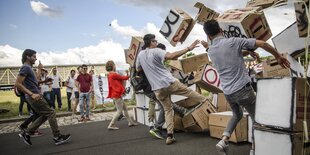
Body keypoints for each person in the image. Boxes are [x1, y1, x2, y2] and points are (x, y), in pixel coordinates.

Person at [201, 19, 290, 155]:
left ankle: (224, 140)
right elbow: (263, 43)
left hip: (228, 93)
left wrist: (248, 53)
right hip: (243, 90)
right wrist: (277, 56)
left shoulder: (211, 51)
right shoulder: (233, 41)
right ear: (221, 30)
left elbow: (232, 54)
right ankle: (255, 149)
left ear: (208, 36)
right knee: (257, 119)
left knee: (237, 115)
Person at [136, 34, 212, 145]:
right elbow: (171, 56)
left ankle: (170, 136)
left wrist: (150, 66)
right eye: (155, 41)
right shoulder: (156, 51)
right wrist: (189, 48)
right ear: (151, 42)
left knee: (168, 109)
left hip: (157, 89)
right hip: (168, 82)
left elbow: (138, 68)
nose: (156, 43)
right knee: (189, 92)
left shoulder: (141, 55)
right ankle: (207, 101)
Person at [15, 49, 71, 145]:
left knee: (46, 114)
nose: (36, 58)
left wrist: (43, 78)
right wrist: (32, 94)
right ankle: (57, 136)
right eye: (34, 56)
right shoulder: (25, 67)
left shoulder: (29, 68)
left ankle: (27, 133)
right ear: (27, 57)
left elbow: (35, 81)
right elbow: (18, 84)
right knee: (51, 112)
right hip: (34, 96)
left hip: (35, 95)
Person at [106, 60, 138, 130]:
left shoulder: (109, 75)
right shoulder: (113, 74)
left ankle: (130, 122)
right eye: (114, 65)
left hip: (116, 95)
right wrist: (130, 73)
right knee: (119, 111)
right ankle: (111, 125)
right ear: (113, 66)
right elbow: (124, 78)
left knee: (125, 109)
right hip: (117, 95)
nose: (115, 66)